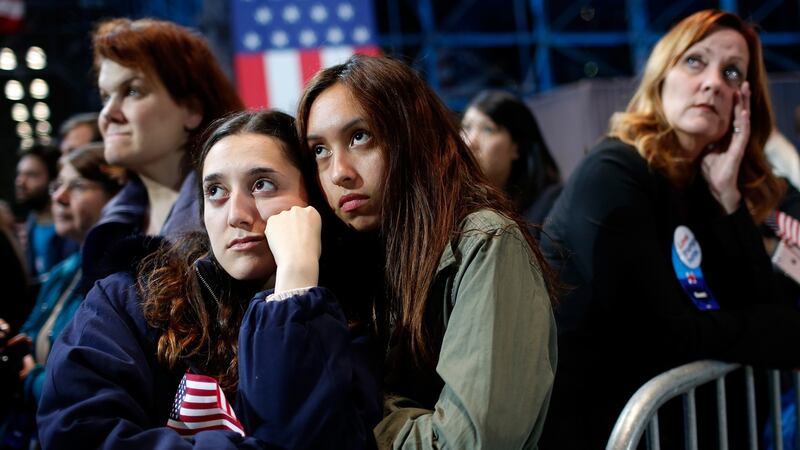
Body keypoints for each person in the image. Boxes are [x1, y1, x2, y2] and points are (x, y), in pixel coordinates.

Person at [37, 110, 380, 449]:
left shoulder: (360, 313)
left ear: (312, 200)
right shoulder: (129, 300)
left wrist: (295, 287)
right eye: (216, 191)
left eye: (262, 185)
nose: (236, 215)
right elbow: (79, 430)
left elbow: (312, 438)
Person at [539, 10, 800, 449]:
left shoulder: (704, 188)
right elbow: (659, 335)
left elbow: (767, 314)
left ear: (744, 101)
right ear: (661, 77)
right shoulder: (612, 172)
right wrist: (769, 328)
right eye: (695, 61)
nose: (714, 82)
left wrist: (728, 199)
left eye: (732, 71)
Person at [297, 55, 557, 449]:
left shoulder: (485, 243)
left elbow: (466, 443)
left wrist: (355, 401)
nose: (339, 172)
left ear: (413, 136)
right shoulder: (355, 251)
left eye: (359, 136)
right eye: (320, 150)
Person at [81, 17, 243, 293]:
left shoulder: (239, 215)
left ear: (192, 109)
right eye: (105, 96)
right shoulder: (111, 223)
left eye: (132, 91)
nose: (108, 114)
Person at [0, 144, 124, 449]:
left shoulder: (119, 277)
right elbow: (28, 335)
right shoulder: (64, 270)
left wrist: (30, 376)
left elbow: (83, 392)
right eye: (57, 186)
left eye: (77, 186)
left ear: (117, 197)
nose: (58, 197)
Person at [461, 90, 562, 225]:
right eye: (466, 127)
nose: (469, 143)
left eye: (487, 129)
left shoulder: (550, 206)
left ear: (516, 147)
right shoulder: (456, 207)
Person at [14, 144, 79, 284]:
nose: (20, 182)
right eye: (19, 174)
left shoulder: (74, 228)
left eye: (31, 175)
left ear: (53, 180)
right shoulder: (31, 222)